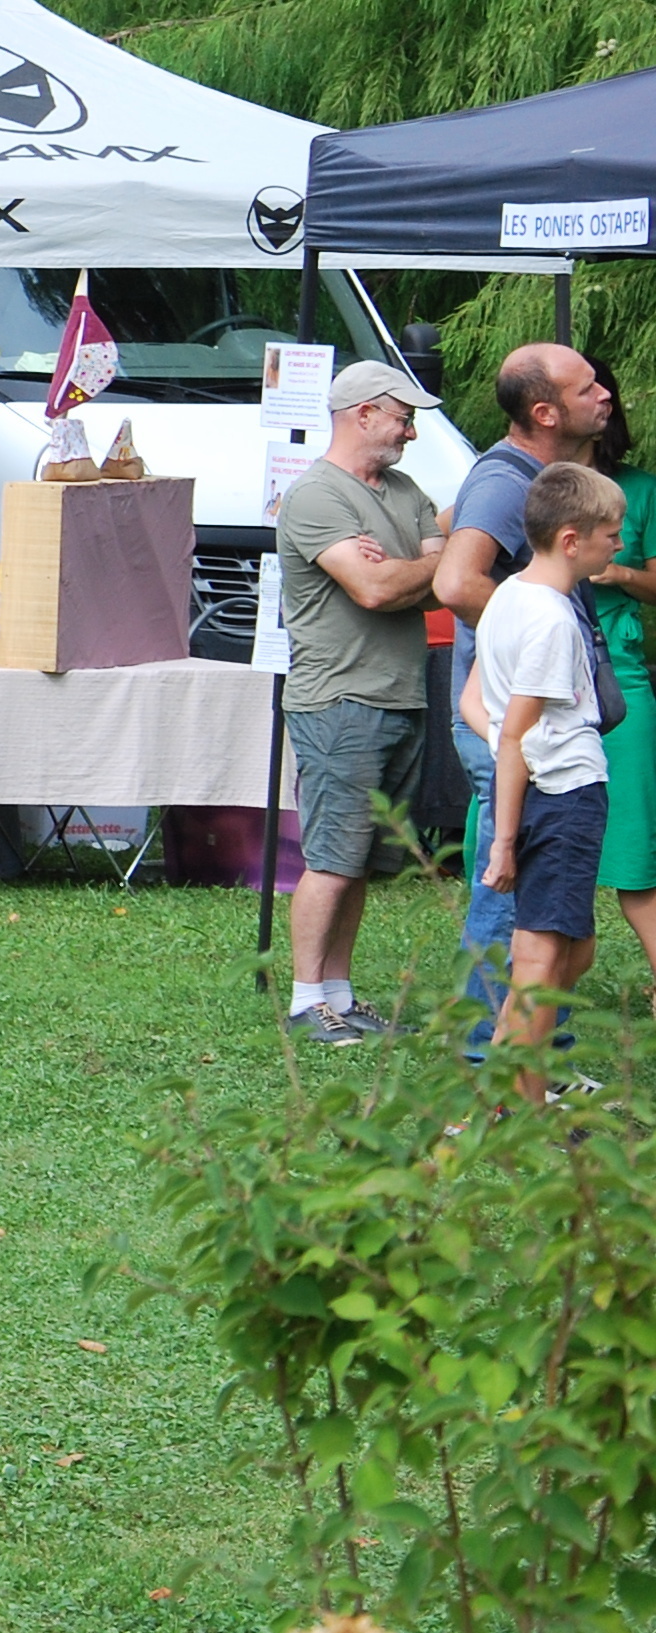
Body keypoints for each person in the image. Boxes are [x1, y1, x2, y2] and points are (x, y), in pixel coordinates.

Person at [272, 360, 450, 1045]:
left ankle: (340, 996)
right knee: (332, 856)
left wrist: (409, 567)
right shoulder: (318, 496)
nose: (410, 430)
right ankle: (304, 999)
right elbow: (375, 591)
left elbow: (438, 581)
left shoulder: (403, 490)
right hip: (341, 699)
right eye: (402, 416)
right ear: (362, 414)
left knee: (367, 859)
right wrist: (416, 566)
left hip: (401, 695)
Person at [437, 341, 614, 982]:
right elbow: (456, 582)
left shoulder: (534, 480)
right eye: (587, 388)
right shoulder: (504, 479)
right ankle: (490, 1062)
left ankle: (537, 1061)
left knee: (539, 911)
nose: (605, 396)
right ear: (545, 412)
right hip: (513, 727)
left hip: (523, 720)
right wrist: (536, 639)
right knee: (509, 897)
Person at [478, 459, 624, 1090]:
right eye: (611, 534)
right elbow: (514, 732)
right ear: (572, 539)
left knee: (573, 950)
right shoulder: (551, 620)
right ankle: (519, 1098)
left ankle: (509, 1089)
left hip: (556, 792)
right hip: (562, 796)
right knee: (539, 957)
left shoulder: (508, 596)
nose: (619, 545)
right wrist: (504, 842)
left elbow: (477, 701)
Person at [591, 368, 656, 966]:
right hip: (545, 678)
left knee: (636, 845)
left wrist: (620, 575)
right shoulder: (530, 478)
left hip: (623, 676)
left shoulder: (642, 489)